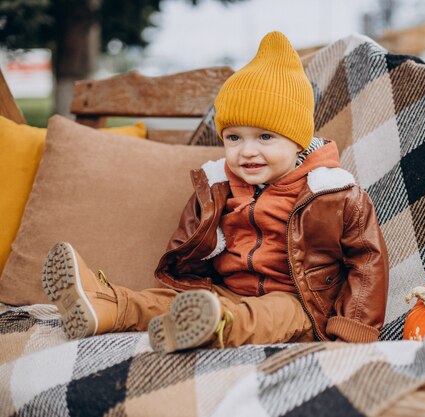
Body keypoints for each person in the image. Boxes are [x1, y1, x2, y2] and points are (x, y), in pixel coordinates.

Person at [41, 31, 389, 353]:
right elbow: (188, 241)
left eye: (265, 137)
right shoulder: (216, 185)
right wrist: (189, 286)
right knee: (163, 301)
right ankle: (105, 306)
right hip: (223, 293)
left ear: (297, 140)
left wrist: (352, 329)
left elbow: (368, 260)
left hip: (299, 304)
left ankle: (211, 328)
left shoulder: (334, 193)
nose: (247, 151)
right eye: (234, 138)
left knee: (269, 314)